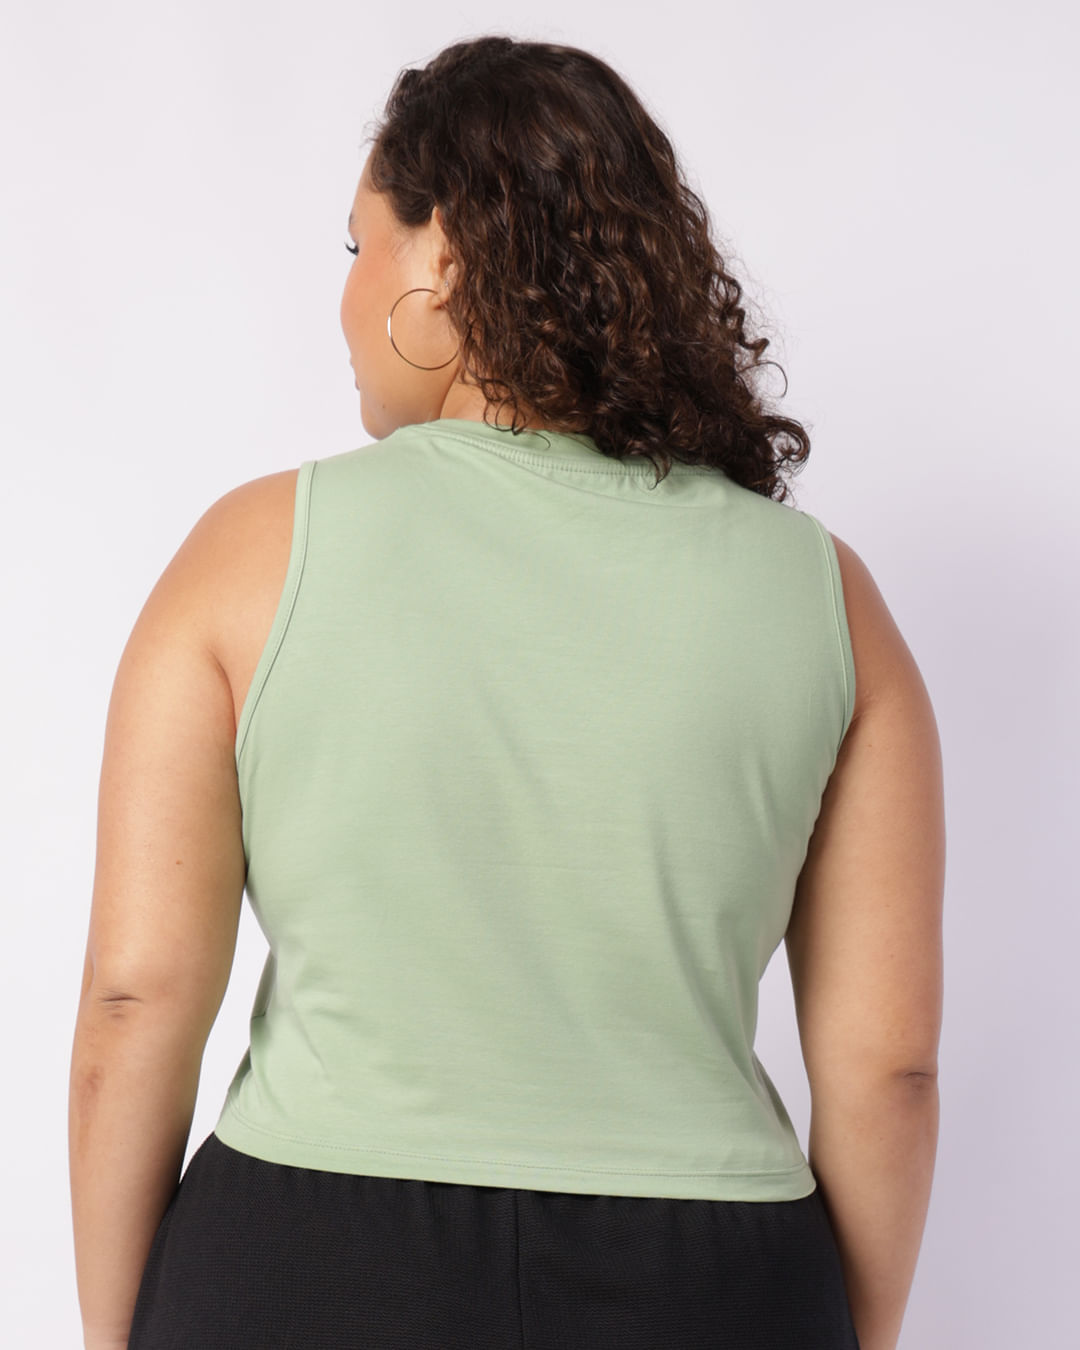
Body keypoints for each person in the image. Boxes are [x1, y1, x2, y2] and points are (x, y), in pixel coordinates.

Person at [69, 34, 944, 1350]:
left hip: (306, 1269)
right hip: (711, 1283)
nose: (348, 292)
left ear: (442, 258)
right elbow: (890, 1069)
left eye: (358, 245)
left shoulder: (248, 556)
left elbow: (135, 1000)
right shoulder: (827, 598)